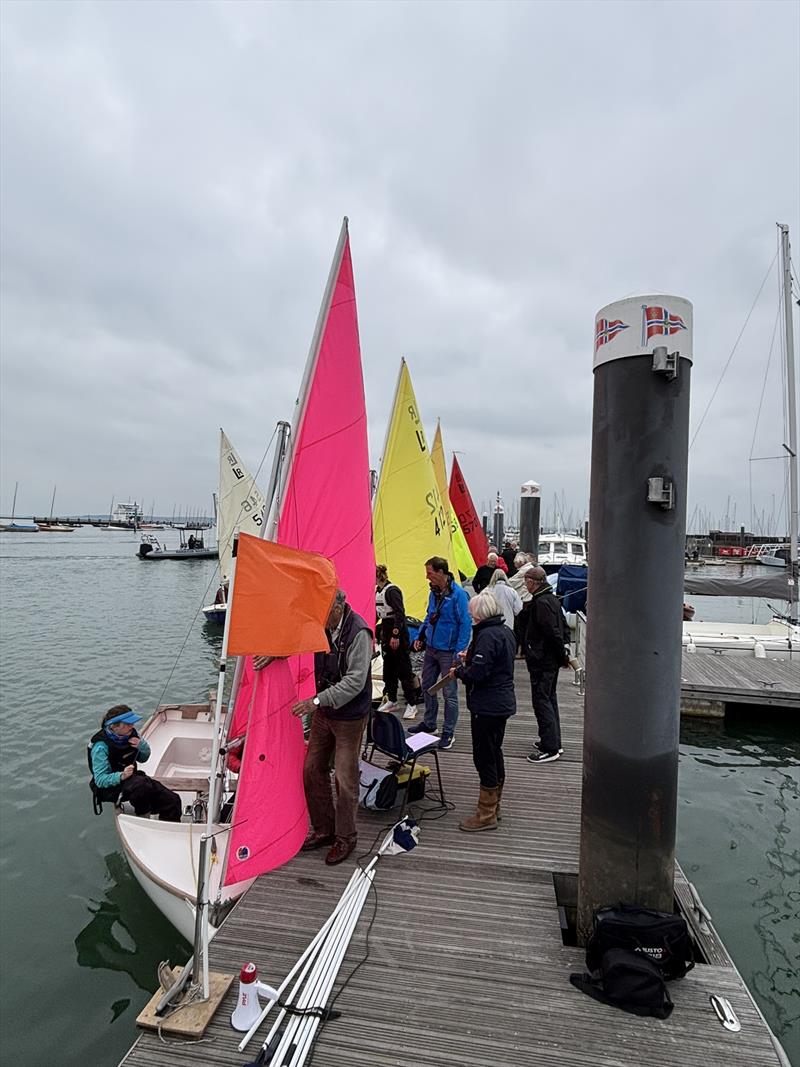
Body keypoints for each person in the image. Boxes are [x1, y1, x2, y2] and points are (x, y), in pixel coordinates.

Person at [274, 588, 372, 867]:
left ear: (339, 609)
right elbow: (297, 637)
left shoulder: (359, 634)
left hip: (349, 717)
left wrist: (316, 701)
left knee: (344, 777)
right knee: (311, 769)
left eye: (324, 614)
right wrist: (275, 656)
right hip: (325, 712)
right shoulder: (322, 624)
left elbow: (355, 682)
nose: (319, 619)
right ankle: (324, 828)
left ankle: (346, 836)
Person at [451, 591, 516, 832]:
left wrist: (460, 671)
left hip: (487, 705)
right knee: (494, 751)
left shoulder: (487, 635)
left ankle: (486, 813)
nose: (471, 618)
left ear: (479, 614)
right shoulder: (506, 631)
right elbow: (496, 663)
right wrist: (472, 658)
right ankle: (494, 806)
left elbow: (479, 674)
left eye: (472, 615)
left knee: (484, 755)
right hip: (501, 702)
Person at [408, 556, 471, 749]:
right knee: (427, 686)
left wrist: (459, 652)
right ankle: (430, 723)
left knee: (449, 693)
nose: (427, 577)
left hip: (448, 651)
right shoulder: (433, 593)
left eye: (430, 573)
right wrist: (420, 636)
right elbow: (429, 615)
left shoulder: (458, 595)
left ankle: (448, 732)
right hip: (432, 648)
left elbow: (465, 624)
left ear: (441, 572)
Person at [89, 705, 182, 820]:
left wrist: (141, 746)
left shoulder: (133, 734)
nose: (132, 726)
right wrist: (121, 776)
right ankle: (143, 816)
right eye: (128, 724)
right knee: (141, 785)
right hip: (111, 787)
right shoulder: (100, 747)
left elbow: (144, 758)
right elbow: (100, 780)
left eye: (132, 723)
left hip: (134, 779)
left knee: (173, 800)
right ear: (114, 726)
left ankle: (168, 828)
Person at [523, 566, 570, 763]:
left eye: (526, 581)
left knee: (542, 701)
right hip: (549, 660)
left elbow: (553, 632)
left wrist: (562, 656)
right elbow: (564, 627)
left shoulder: (542, 603)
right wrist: (563, 654)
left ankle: (550, 748)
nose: (525, 584)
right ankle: (552, 740)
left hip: (543, 661)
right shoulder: (551, 599)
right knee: (549, 699)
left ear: (533, 582)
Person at [375, 564, 422, 713]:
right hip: (385, 628)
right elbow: (378, 613)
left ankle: (412, 703)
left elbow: (400, 614)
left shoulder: (392, 591)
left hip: (398, 630)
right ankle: (392, 700)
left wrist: (395, 635)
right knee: (388, 669)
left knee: (403, 668)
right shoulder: (378, 591)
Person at [509, 552, 534, 658]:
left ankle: (521, 651)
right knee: (525, 628)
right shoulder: (529, 568)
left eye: (515, 564)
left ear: (519, 563)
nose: (514, 566)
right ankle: (523, 650)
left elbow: (511, 582)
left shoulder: (523, 571)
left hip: (524, 601)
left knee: (520, 628)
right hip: (528, 600)